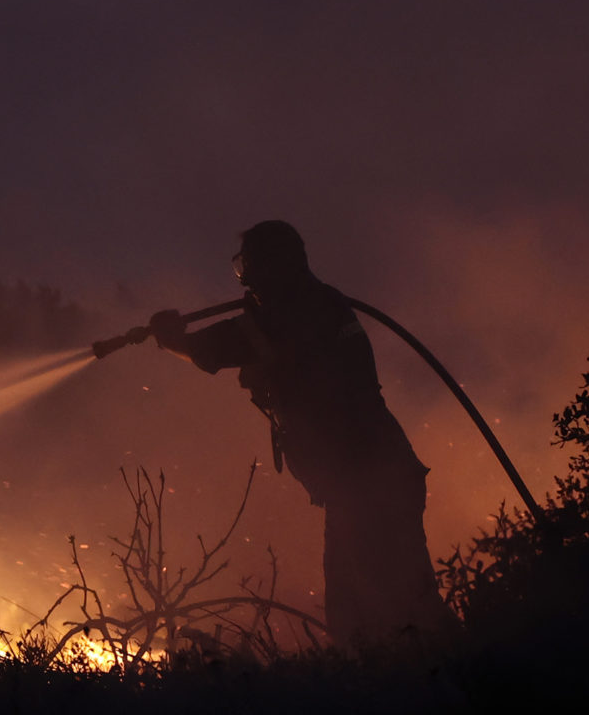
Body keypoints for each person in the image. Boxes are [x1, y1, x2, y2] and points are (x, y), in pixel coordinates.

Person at [150, 221, 456, 652]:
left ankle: (461, 686)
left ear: (272, 266)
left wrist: (169, 338)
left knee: (398, 605)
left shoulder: (289, 315)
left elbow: (209, 350)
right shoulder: (317, 304)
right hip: (362, 481)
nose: (247, 278)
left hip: (367, 481)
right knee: (357, 611)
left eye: (250, 267)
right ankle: (396, 690)